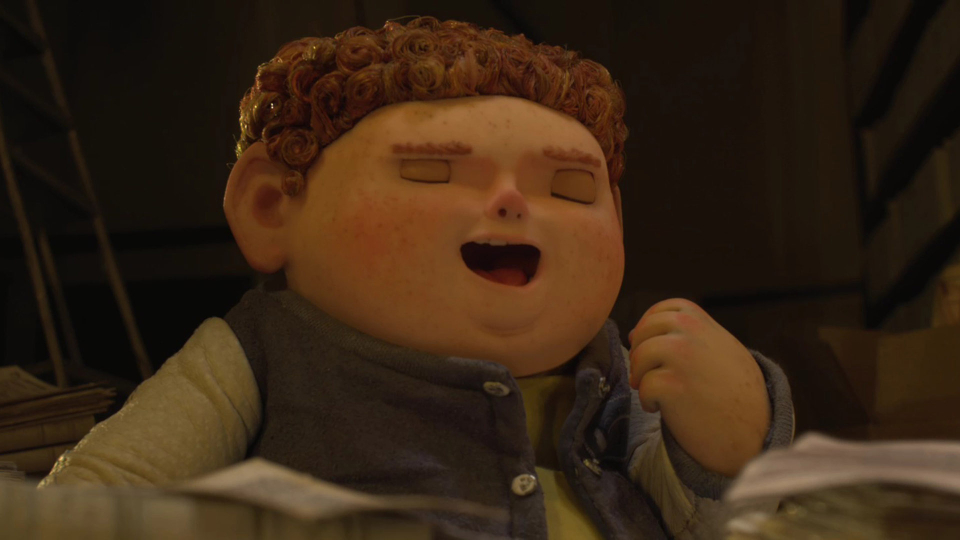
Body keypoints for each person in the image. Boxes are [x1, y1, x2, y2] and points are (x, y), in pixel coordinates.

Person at [39, 17, 793, 539]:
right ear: (270, 207)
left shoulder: (615, 369)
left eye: (568, 189)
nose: (513, 203)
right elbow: (99, 500)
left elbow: (713, 524)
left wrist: (730, 448)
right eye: (433, 173)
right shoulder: (267, 351)